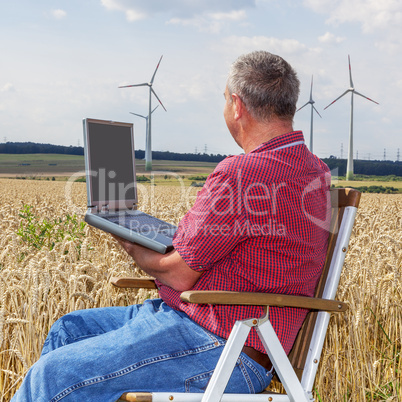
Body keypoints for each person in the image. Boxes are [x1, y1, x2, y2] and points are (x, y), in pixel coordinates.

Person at [12, 51, 331, 401]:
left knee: (52, 376)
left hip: (223, 346)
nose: (225, 107)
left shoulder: (243, 173)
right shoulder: (314, 170)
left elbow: (178, 275)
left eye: (225, 99)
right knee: (68, 331)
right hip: (222, 330)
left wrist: (132, 242)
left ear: (237, 106)